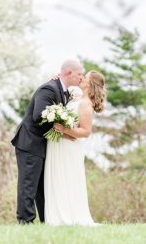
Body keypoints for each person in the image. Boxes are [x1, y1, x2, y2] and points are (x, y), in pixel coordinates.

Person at [10, 59, 84, 224]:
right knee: (29, 183)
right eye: (79, 74)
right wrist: (63, 133)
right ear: (69, 73)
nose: (81, 77)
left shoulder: (64, 90)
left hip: (42, 144)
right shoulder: (48, 89)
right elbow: (39, 116)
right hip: (30, 142)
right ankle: (25, 220)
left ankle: (47, 220)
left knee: (43, 186)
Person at [44, 70, 106, 225]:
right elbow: (60, 89)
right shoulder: (75, 96)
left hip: (70, 147)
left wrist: (64, 129)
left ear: (90, 84)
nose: (82, 78)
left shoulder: (86, 105)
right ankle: (55, 216)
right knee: (56, 179)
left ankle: (69, 216)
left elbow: (85, 131)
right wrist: (55, 79)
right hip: (58, 144)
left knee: (67, 179)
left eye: (85, 77)